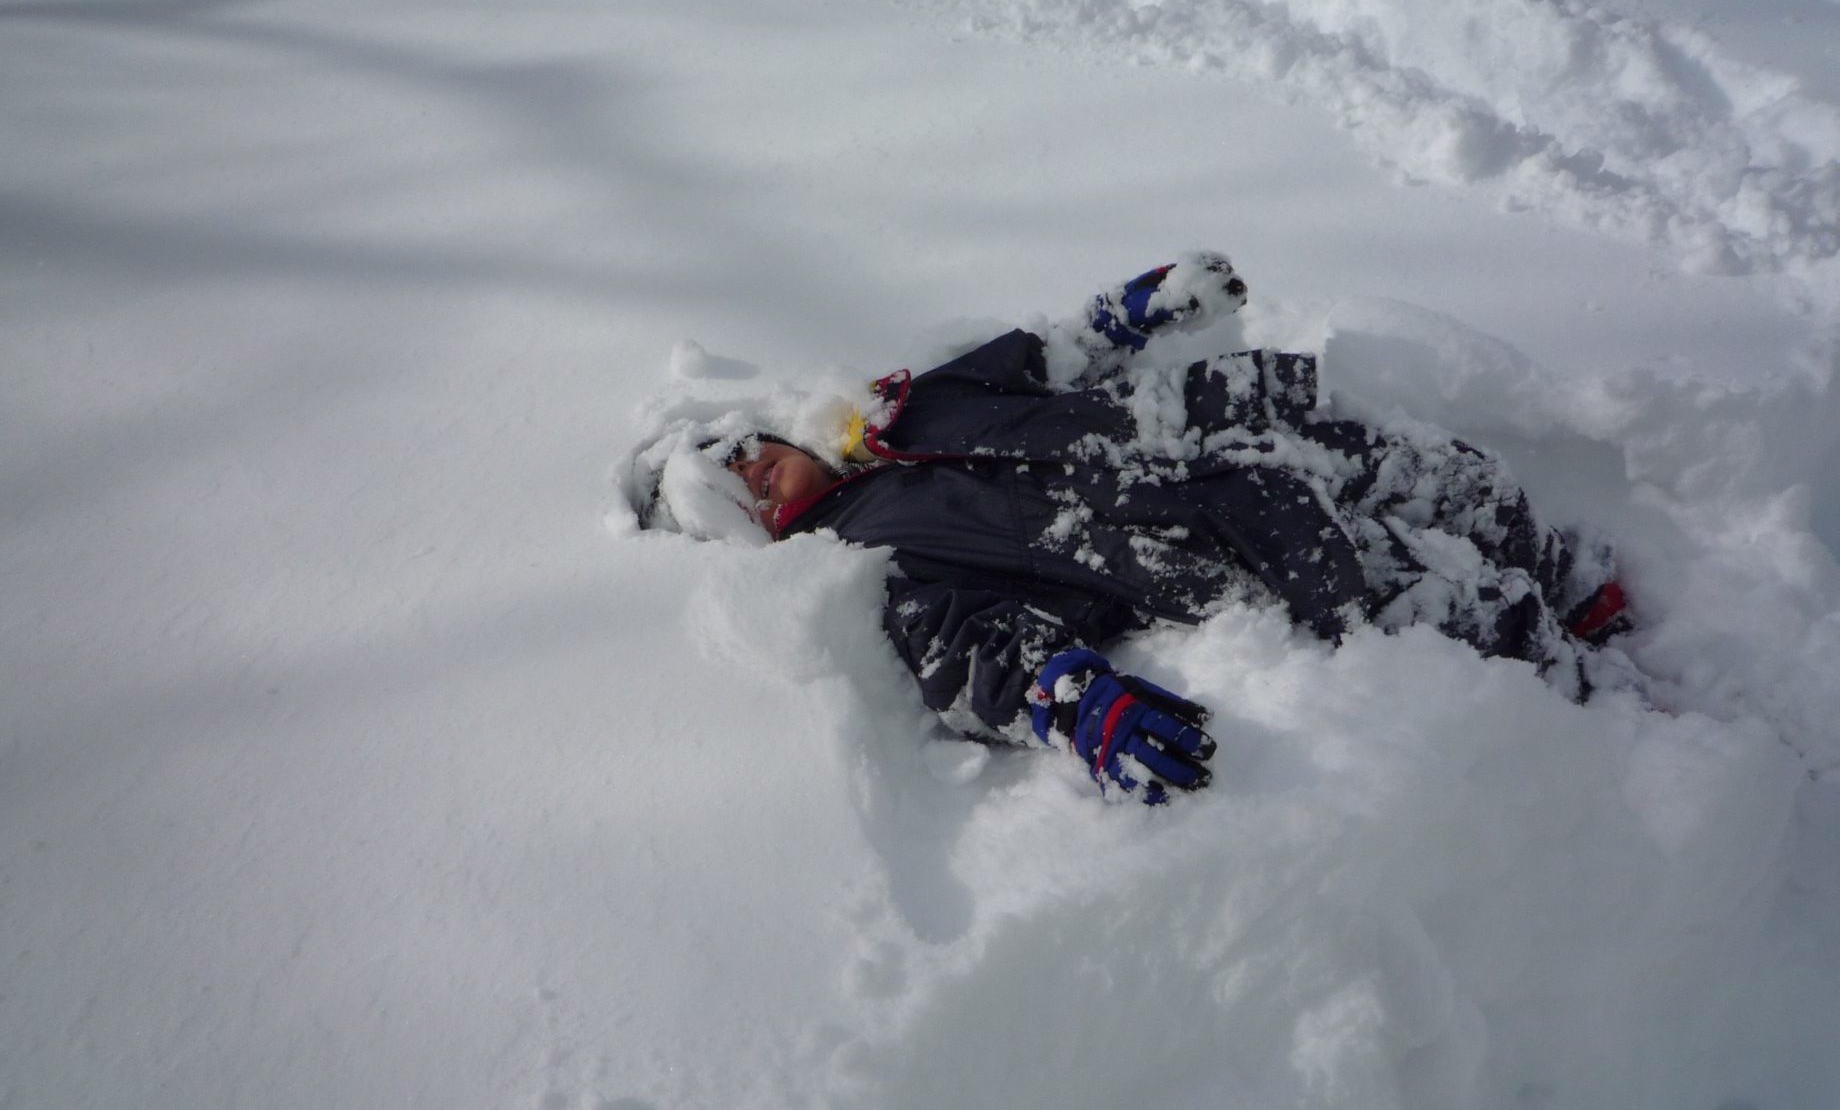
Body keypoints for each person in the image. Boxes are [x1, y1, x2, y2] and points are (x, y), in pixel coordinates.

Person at [626, 255, 1632, 804]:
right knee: (1428, 601)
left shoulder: (895, 410)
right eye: (735, 498)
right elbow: (969, 651)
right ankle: (1603, 708)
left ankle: (1569, 583)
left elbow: (1042, 360)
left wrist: (1127, 315)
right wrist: (1070, 701)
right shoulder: (867, 554)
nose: (752, 474)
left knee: (1450, 475)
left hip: (1220, 429)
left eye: (741, 453)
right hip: (1215, 539)